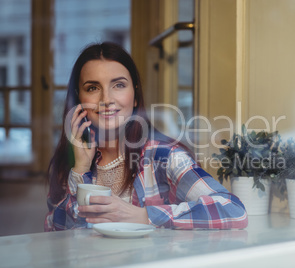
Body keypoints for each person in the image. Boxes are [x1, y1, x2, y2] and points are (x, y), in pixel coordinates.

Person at [45, 42, 248, 231]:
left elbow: (233, 211)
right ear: (78, 98)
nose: (106, 99)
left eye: (119, 85)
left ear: (134, 96)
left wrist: (143, 216)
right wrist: (80, 171)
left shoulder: (162, 155)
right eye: (92, 88)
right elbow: (56, 232)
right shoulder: (69, 162)